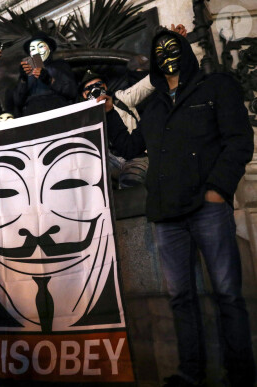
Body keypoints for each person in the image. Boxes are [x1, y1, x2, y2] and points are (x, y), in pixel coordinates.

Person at [99, 28, 255, 387]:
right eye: (158, 51)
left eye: (171, 47)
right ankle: (190, 373)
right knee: (181, 298)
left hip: (208, 208)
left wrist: (218, 190)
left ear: (184, 50)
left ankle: (241, 374)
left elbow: (238, 140)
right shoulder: (152, 106)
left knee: (228, 294)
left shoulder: (216, 86)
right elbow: (130, 145)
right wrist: (108, 112)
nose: (165, 55)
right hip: (167, 216)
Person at [80, 70, 149, 188]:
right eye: (89, 88)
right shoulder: (82, 116)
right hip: (110, 160)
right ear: (84, 95)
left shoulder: (122, 99)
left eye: (98, 85)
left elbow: (147, 85)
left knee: (131, 182)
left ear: (105, 86)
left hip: (136, 156)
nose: (95, 90)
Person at [13, 31, 77, 117]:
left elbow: (72, 92)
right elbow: (18, 101)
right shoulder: (27, 72)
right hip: (34, 114)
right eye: (32, 49)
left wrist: (49, 80)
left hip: (58, 110)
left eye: (41, 46)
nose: (37, 51)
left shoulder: (60, 65)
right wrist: (23, 79)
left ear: (49, 48)